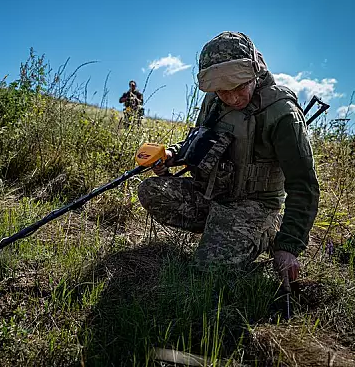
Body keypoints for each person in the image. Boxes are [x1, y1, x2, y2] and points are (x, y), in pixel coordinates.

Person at [137, 32, 320, 292]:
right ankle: (222, 230)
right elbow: (199, 140)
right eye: (223, 91)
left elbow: (304, 184)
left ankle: (267, 231)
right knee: (151, 191)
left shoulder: (282, 113)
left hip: (253, 203)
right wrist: (171, 155)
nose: (233, 98)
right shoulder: (213, 100)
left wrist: (288, 246)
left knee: (208, 274)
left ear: (254, 73)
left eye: (239, 87)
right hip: (212, 194)